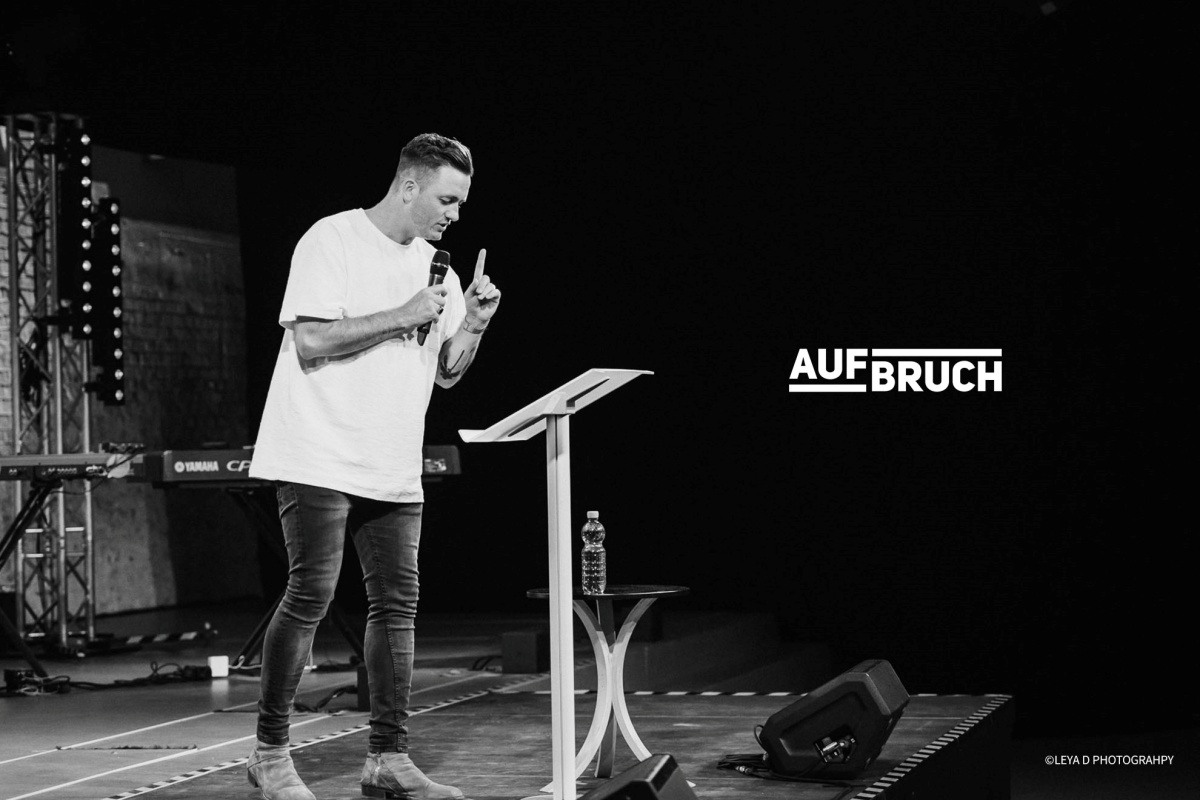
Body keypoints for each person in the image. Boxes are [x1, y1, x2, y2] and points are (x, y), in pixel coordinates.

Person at [245, 133, 499, 800]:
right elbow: (311, 339)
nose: (455, 214)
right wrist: (402, 314)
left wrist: (472, 323)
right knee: (311, 593)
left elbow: (446, 372)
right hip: (319, 449)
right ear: (409, 186)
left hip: (391, 459)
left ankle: (388, 757)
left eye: (462, 203)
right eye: (447, 199)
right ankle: (270, 754)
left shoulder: (437, 270)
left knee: (397, 606)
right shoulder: (331, 239)